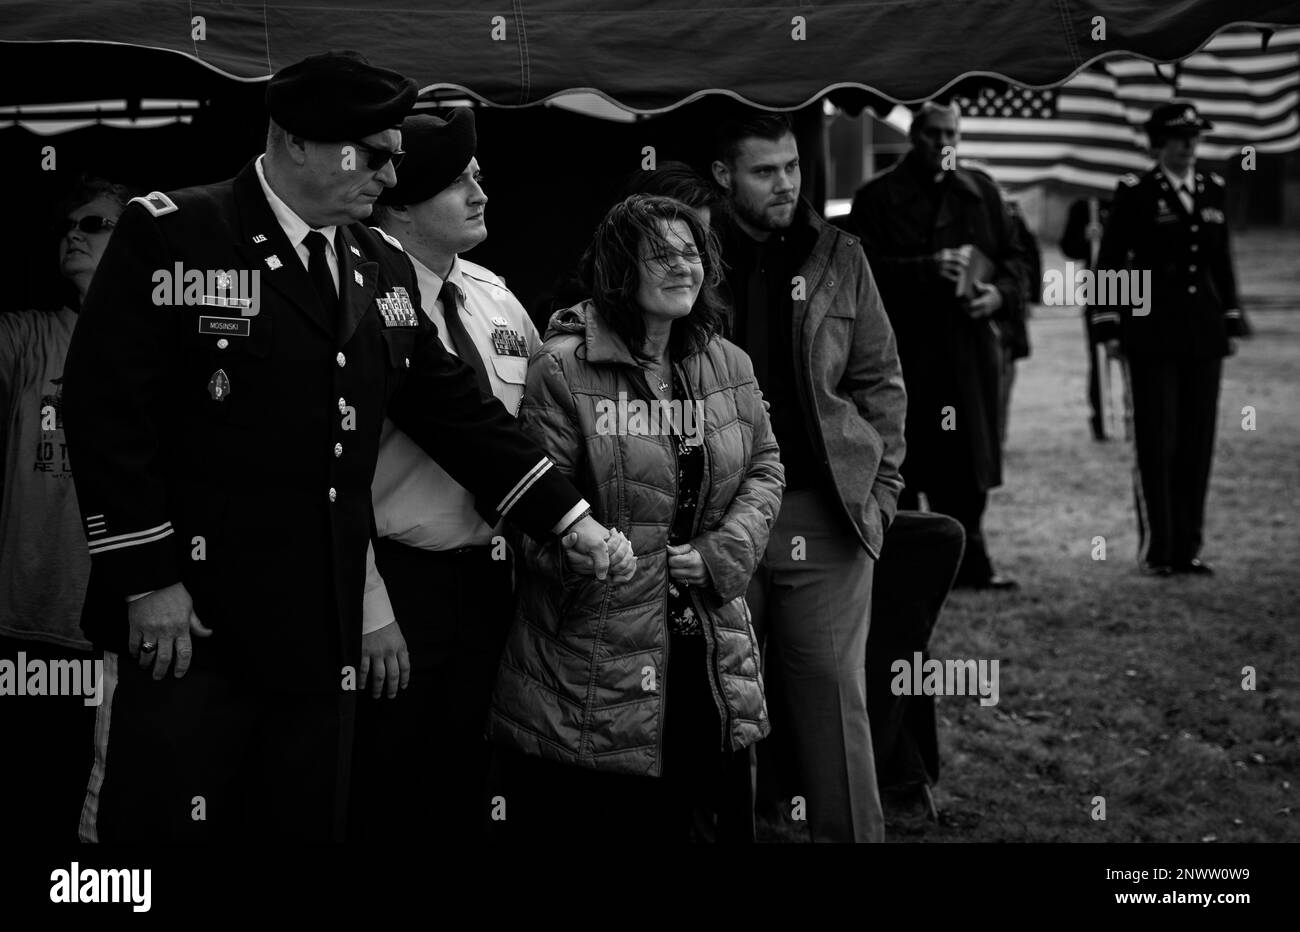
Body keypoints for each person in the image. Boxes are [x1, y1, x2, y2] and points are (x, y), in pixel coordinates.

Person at [62, 50, 631, 843]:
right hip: (193, 622)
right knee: (161, 834)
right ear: (294, 142)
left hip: (317, 630)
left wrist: (568, 518)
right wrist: (146, 579)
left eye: (395, 155)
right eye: (372, 155)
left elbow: (455, 412)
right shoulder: (179, 232)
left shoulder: (370, 262)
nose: (390, 176)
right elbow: (104, 412)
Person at [488, 194, 782, 843]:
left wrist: (721, 552)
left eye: (692, 254)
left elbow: (765, 467)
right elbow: (528, 509)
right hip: (596, 662)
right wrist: (583, 551)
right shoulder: (563, 369)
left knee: (712, 821)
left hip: (710, 651)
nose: (683, 267)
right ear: (621, 268)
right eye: (662, 255)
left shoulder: (726, 362)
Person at [348, 108, 546, 841]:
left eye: (479, 176)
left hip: (492, 582)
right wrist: (372, 610)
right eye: (456, 182)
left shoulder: (497, 297)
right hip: (396, 581)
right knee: (387, 781)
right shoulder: (354, 303)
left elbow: (541, 429)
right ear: (398, 202)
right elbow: (333, 478)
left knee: (475, 778)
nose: (480, 193)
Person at [711, 111, 907, 843]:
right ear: (726, 178)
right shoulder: (692, 259)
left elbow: (881, 381)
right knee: (719, 705)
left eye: (792, 167)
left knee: (832, 699)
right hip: (717, 519)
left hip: (823, 516)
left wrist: (879, 495)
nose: (785, 184)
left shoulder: (840, 255)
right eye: (766, 171)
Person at [0, 176, 131, 841]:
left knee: (113, 808)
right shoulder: (28, 339)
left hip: (136, 629)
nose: (73, 232)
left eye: (95, 223)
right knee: (35, 792)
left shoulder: (172, 343)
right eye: (67, 225)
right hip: (35, 622)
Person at [851, 100, 1027, 591]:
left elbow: (1016, 259)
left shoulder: (983, 193)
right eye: (933, 134)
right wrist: (927, 268)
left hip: (968, 355)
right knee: (904, 460)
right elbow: (862, 276)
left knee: (967, 463)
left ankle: (972, 560)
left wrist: (1000, 295)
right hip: (902, 353)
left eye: (952, 133)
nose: (944, 143)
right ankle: (904, 566)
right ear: (915, 135)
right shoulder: (877, 197)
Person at [1089, 100, 1246, 577]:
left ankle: (1188, 548)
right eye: (1178, 138)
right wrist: (1109, 324)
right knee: (1158, 442)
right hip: (1151, 333)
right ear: (1159, 144)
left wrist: (1231, 316)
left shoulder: (1212, 189)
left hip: (1202, 334)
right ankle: (1160, 549)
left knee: (1197, 442)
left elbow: (1221, 261)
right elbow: (1111, 261)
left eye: (1194, 137)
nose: (1188, 146)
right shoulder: (1136, 193)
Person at [1061, 195, 1115, 441]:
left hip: (1137, 283)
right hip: (1099, 287)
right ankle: (1102, 418)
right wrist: (1086, 238)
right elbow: (1068, 247)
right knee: (1099, 354)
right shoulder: (1085, 205)